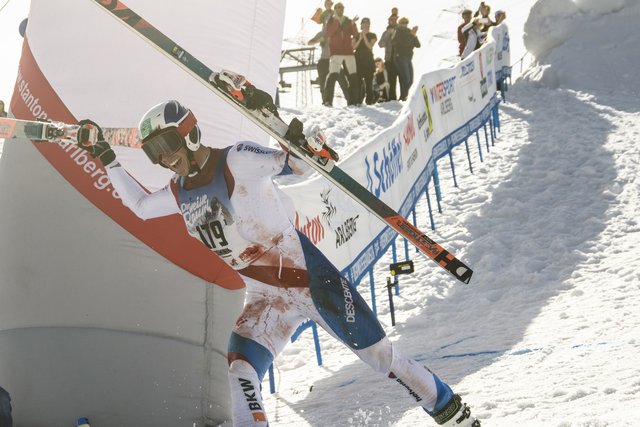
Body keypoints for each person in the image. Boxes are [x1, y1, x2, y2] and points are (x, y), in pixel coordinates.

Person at [75, 91, 481, 426]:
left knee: (381, 358)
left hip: (312, 282)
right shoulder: (180, 192)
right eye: (153, 153)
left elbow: (297, 165)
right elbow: (143, 206)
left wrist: (303, 143)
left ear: (189, 135)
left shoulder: (234, 160)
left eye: (166, 146)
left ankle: (450, 409)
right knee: (240, 370)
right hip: (267, 299)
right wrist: (107, 158)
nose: (164, 159)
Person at [324, 2, 360, 106]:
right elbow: (329, 33)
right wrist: (336, 22)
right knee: (333, 76)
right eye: (338, 8)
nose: (341, 10)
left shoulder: (348, 21)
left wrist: (353, 24)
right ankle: (328, 101)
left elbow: (356, 34)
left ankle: (354, 101)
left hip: (348, 51)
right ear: (335, 9)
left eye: (342, 8)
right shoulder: (331, 20)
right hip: (336, 52)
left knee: (353, 76)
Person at [308, 26, 350, 105]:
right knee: (323, 83)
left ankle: (350, 100)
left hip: (335, 61)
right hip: (324, 61)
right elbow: (309, 43)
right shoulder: (322, 33)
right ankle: (326, 102)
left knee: (343, 81)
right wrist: (319, 40)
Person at [392, 16, 421, 101]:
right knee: (406, 78)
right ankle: (404, 97)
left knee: (410, 80)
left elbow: (418, 45)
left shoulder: (409, 32)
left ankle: (405, 96)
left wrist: (414, 36)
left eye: (406, 22)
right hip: (400, 56)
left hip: (408, 57)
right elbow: (404, 43)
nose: (404, 24)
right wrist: (412, 34)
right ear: (399, 23)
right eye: (402, 22)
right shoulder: (398, 31)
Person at [353, 17, 377, 105]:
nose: (366, 25)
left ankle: (369, 100)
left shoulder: (373, 35)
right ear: (361, 24)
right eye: (364, 23)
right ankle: (358, 100)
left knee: (369, 81)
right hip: (358, 59)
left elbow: (370, 46)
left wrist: (364, 37)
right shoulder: (356, 35)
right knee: (358, 81)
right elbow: (353, 47)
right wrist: (359, 39)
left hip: (368, 60)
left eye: (367, 23)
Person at [378, 14, 399, 100]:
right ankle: (391, 97)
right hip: (389, 59)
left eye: (394, 20)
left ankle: (403, 97)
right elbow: (381, 44)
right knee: (390, 79)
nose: (392, 21)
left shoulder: (399, 31)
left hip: (398, 59)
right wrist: (388, 35)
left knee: (401, 79)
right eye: (390, 20)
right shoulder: (385, 32)